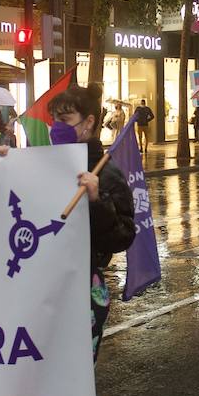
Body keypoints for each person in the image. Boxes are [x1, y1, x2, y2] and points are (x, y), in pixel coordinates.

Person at [46, 83, 136, 359]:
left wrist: (97, 201)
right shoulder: (44, 165)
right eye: (54, 121)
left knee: (74, 375)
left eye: (65, 120)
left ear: (88, 123)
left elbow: (123, 235)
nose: (55, 128)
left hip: (82, 289)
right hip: (43, 288)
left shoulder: (106, 173)